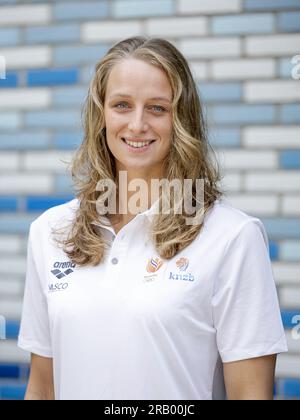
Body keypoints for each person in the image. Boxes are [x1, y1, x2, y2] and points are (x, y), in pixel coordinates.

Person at [18, 36, 288, 400]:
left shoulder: (233, 237)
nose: (137, 124)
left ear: (182, 120)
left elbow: (250, 395)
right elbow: (43, 388)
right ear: (101, 115)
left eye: (158, 108)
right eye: (122, 105)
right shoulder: (50, 232)